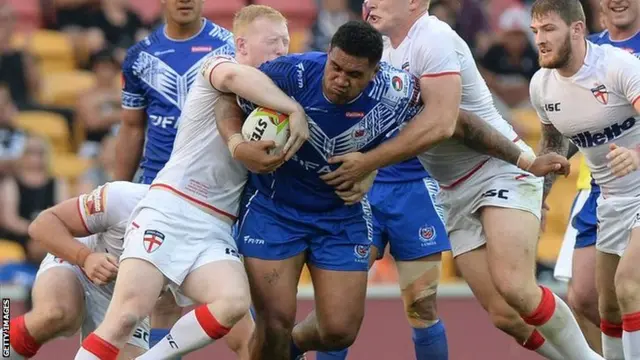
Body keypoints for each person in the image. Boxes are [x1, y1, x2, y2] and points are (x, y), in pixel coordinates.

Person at [220, 20, 567, 360]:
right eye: (335, 68)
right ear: (328, 53)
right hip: (276, 209)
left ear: (375, 72)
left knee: (351, 325)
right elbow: (222, 91)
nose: (340, 80)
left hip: (351, 211)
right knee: (275, 321)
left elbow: (455, 121)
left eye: (354, 75)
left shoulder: (397, 88)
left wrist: (523, 160)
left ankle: (290, 347)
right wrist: (237, 143)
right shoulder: (289, 74)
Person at [322, 1, 601, 359]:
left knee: (516, 287)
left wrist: (367, 164)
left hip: (494, 169)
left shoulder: (432, 36)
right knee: (504, 315)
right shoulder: (386, 53)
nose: (369, 2)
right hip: (452, 190)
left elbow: (444, 122)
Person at [72, 5, 309, 360]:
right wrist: (295, 109)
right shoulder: (218, 66)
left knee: (232, 303)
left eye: (286, 43)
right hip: (171, 207)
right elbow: (232, 80)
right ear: (241, 44)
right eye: (272, 42)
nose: (281, 51)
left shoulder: (273, 98)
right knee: (126, 316)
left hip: (216, 225)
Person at [114, 0, 235, 352]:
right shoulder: (140, 56)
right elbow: (132, 129)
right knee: (161, 299)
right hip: (159, 186)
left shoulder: (230, 47)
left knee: (239, 303)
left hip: (218, 190)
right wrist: (119, 190)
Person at [530, 0, 640, 357]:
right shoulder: (542, 87)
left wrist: (636, 155)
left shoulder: (619, 66)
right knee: (604, 305)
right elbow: (553, 145)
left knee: (629, 285)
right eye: (536, 32)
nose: (540, 41)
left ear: (577, 29)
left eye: (549, 30)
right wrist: (539, 199)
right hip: (609, 197)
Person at [7, 182, 151, 360]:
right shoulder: (126, 197)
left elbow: (167, 307)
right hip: (79, 262)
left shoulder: (192, 234)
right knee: (56, 312)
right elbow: (41, 225)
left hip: (127, 299)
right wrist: (86, 258)